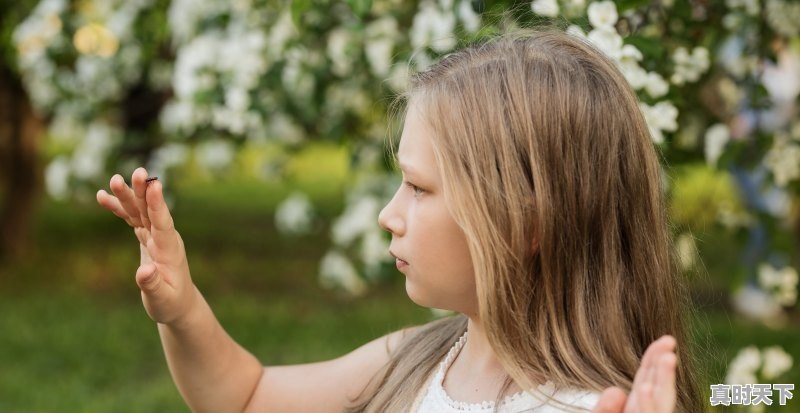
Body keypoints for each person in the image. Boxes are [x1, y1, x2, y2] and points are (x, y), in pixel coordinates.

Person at [96, 30, 704, 413]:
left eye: (418, 187)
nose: (389, 214)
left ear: (525, 223)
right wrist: (182, 311)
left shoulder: (603, 405)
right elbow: (245, 397)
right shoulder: (418, 359)